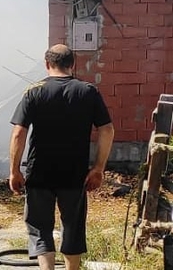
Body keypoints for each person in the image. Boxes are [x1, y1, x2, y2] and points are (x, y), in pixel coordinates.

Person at [9, 44, 115, 270]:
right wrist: (98, 169)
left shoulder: (33, 91)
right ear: (72, 65)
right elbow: (107, 130)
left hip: (39, 174)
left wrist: (14, 170)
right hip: (74, 174)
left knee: (40, 228)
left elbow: (19, 133)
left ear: (47, 64)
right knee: (73, 226)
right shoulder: (88, 91)